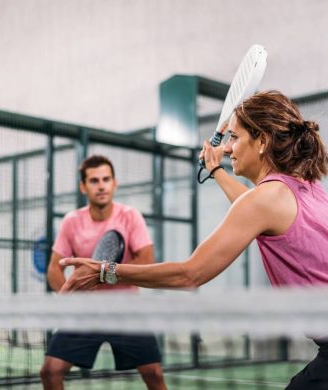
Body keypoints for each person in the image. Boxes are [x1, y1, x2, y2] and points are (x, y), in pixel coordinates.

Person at [59, 91, 328, 390]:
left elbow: (190, 274)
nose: (228, 148)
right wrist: (215, 170)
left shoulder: (265, 200)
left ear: (262, 141)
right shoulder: (307, 187)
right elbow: (254, 209)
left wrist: (104, 272)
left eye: (235, 138)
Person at [40, 155, 167, 390]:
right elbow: (54, 270)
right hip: (86, 313)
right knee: (50, 372)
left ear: (114, 184)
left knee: (154, 375)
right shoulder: (71, 221)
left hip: (127, 310)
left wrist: (102, 274)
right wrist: (70, 298)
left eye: (106, 179)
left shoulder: (130, 216)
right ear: (83, 186)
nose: (101, 185)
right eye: (94, 180)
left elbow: (146, 260)